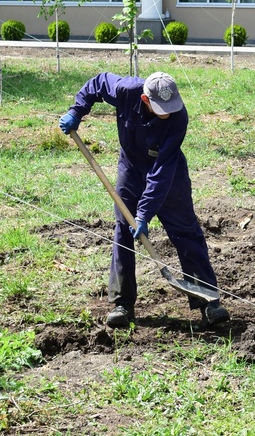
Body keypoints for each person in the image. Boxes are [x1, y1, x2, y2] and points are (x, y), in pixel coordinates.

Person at [58, 71, 228, 329]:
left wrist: (144, 213)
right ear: (145, 100)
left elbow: (161, 173)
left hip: (168, 173)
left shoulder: (178, 117)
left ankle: (208, 302)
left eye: (170, 107)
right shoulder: (126, 90)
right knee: (123, 232)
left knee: (185, 230)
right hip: (131, 168)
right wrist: (77, 111)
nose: (166, 113)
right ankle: (122, 304)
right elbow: (96, 83)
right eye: (161, 108)